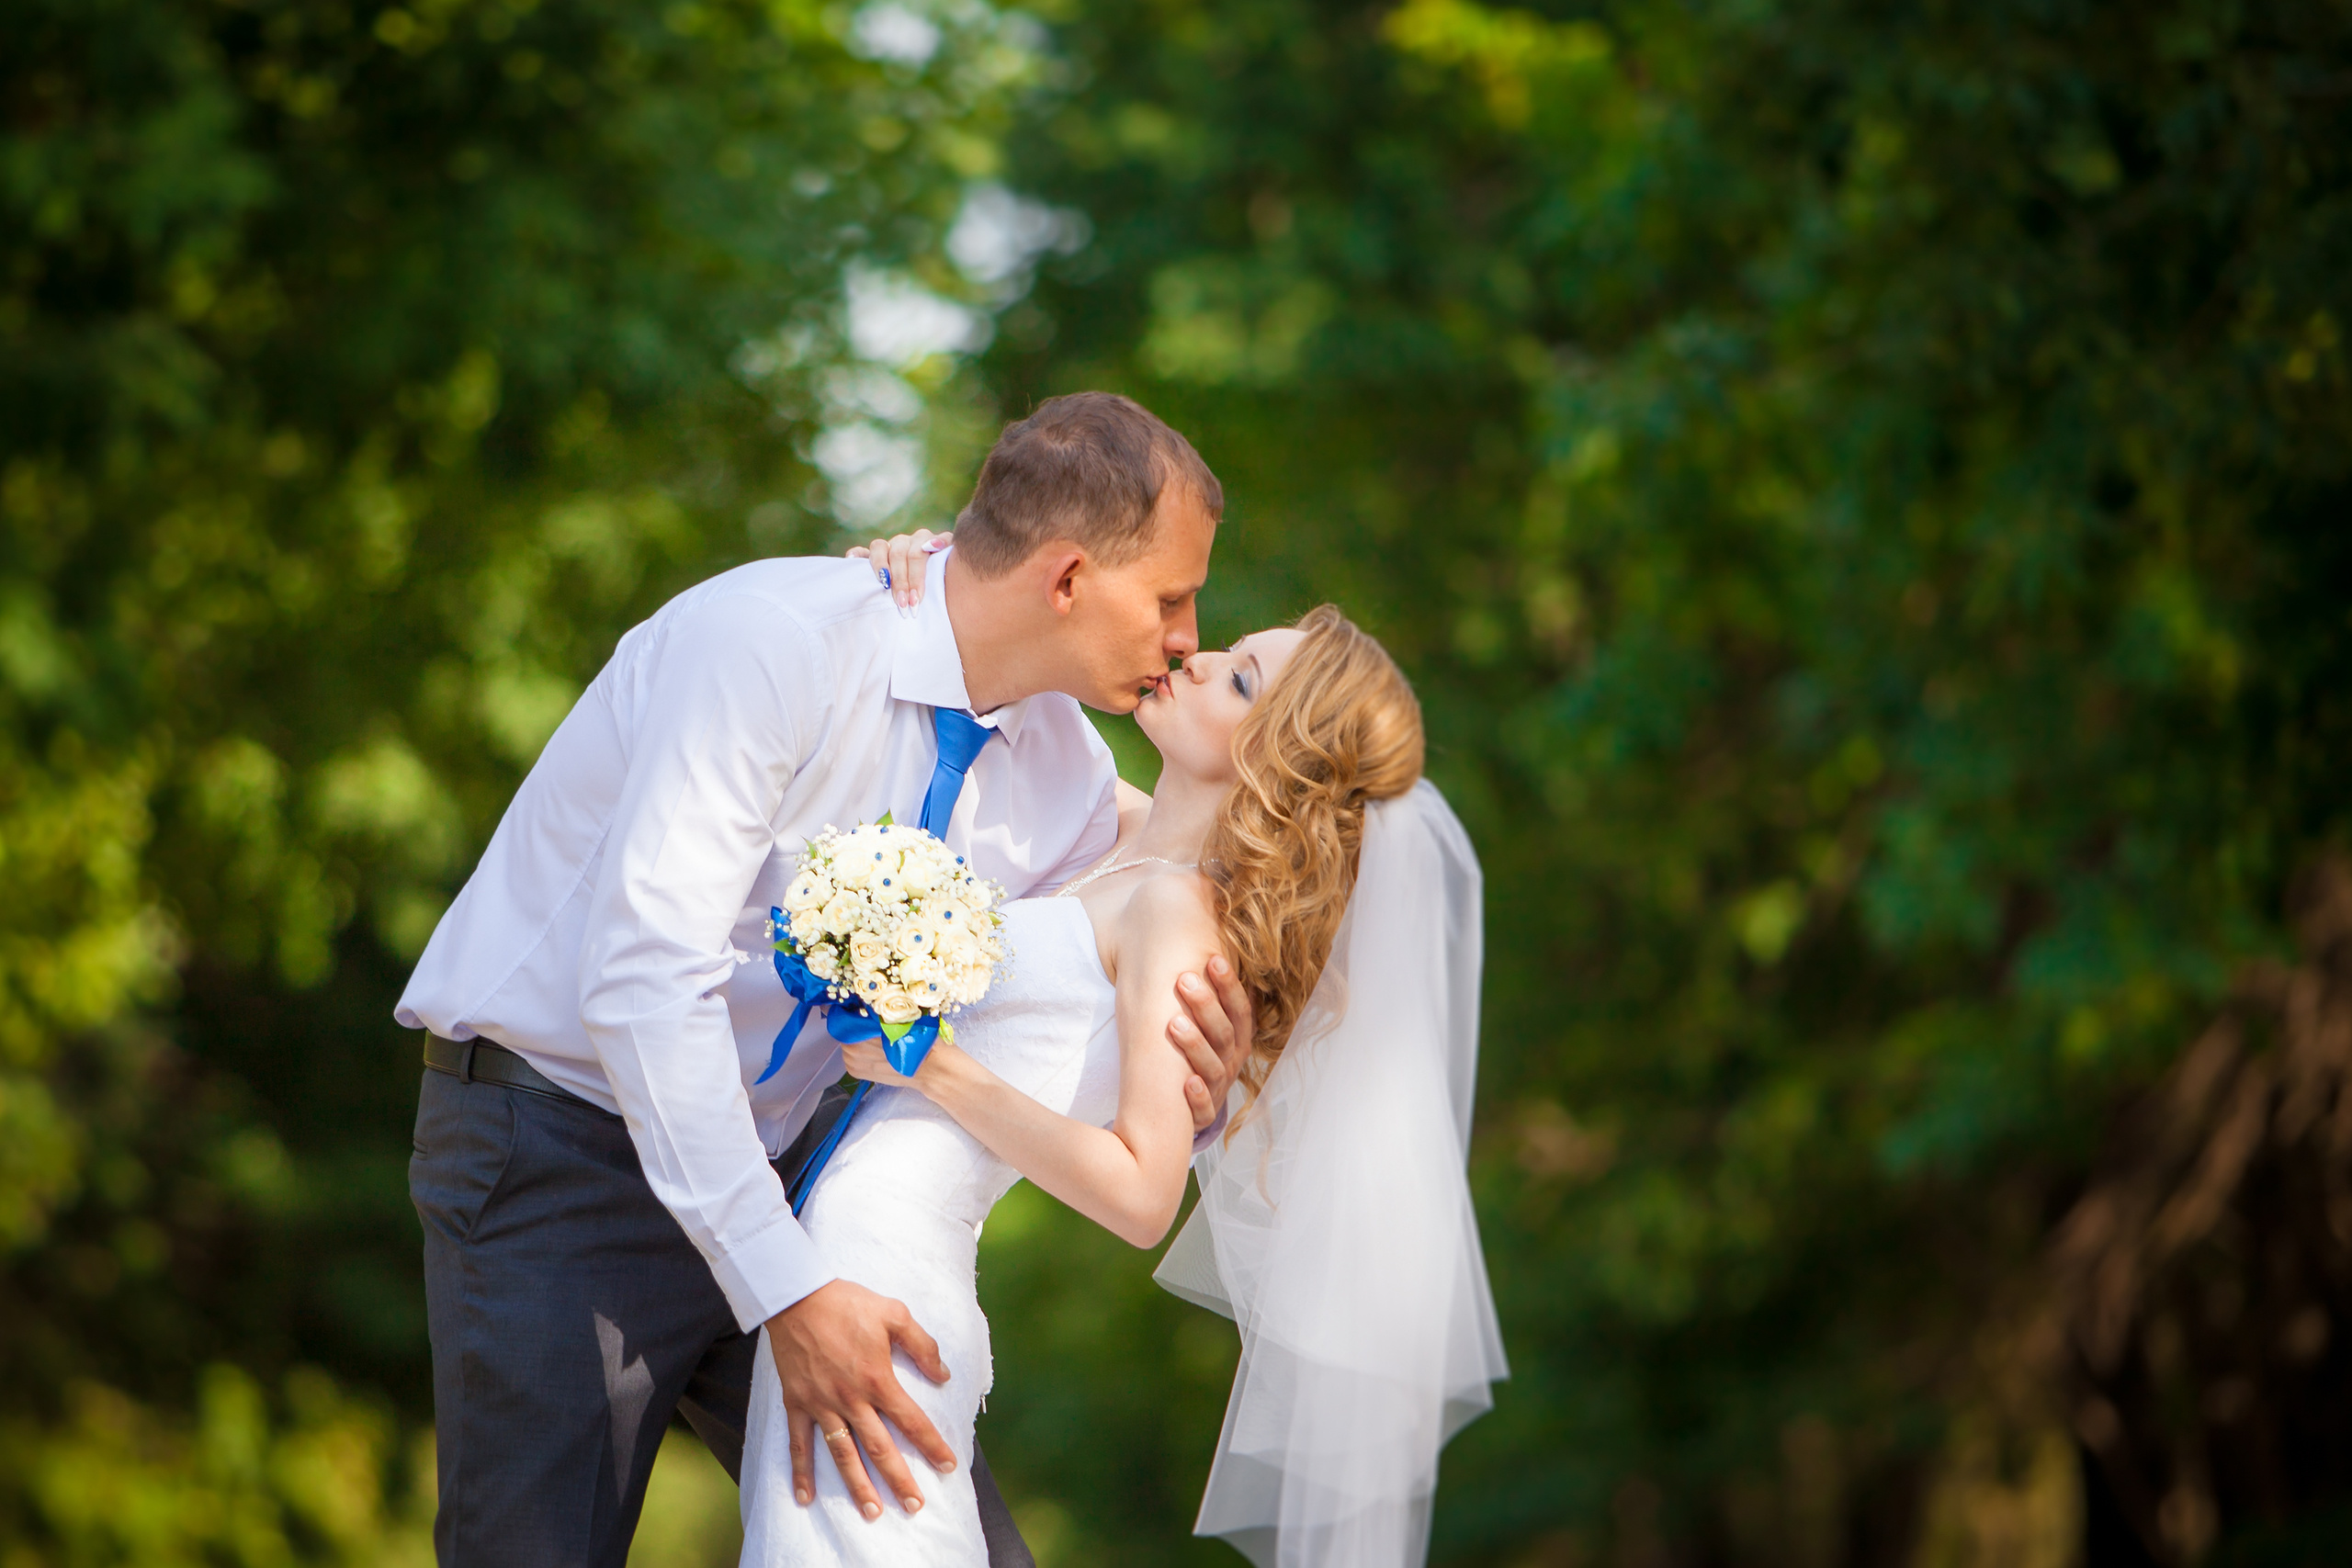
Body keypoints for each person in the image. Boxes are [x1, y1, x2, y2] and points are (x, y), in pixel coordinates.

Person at [397, 392, 1259, 1568]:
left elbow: (1172, 894)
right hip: (562, 1156)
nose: (1186, 635)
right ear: (1064, 580)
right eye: (1170, 597)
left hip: (794, 1180)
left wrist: (1212, 1043)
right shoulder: (771, 645)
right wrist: (787, 1294)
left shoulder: (1060, 761)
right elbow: (644, 984)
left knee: (939, 1540)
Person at [741, 542, 1508, 1566]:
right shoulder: (1121, 840)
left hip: (890, 1281)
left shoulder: (1180, 916)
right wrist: (924, 554)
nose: (1195, 656)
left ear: (1271, 762)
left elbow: (1144, 1198)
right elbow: (1003, 625)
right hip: (839, 1264)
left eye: (1239, 678)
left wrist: (929, 1065)